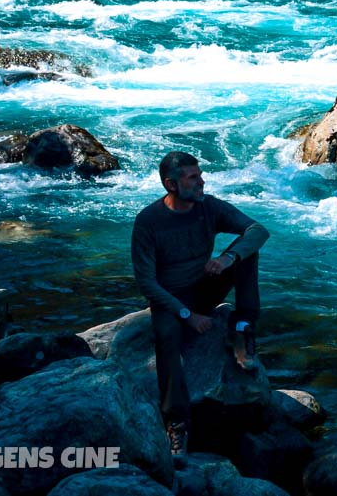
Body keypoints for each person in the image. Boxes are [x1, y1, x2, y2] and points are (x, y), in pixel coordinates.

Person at [131, 151, 270, 467]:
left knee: (246, 252)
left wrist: (226, 259)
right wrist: (187, 316)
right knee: (167, 340)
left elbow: (258, 231)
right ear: (172, 184)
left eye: (200, 174)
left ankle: (241, 329)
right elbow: (147, 283)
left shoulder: (209, 206)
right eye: (193, 177)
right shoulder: (148, 221)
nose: (202, 181)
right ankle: (177, 424)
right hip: (170, 302)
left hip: (205, 288)